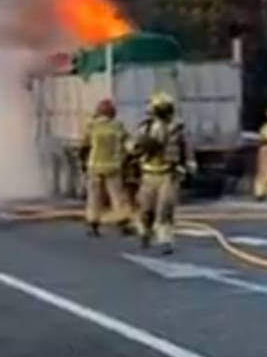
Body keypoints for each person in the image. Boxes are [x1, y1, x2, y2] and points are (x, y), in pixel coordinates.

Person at [131, 91, 195, 254]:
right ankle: (145, 232)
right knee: (146, 209)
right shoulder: (145, 127)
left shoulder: (178, 129)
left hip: (169, 174)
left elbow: (186, 148)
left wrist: (189, 165)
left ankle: (165, 240)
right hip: (148, 174)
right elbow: (134, 146)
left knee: (165, 208)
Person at [79, 98, 131, 237]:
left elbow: (84, 146)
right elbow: (129, 144)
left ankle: (93, 224)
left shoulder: (92, 126)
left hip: (95, 167)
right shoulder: (118, 126)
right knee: (118, 197)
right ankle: (123, 223)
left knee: (94, 198)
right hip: (113, 167)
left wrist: (83, 163)